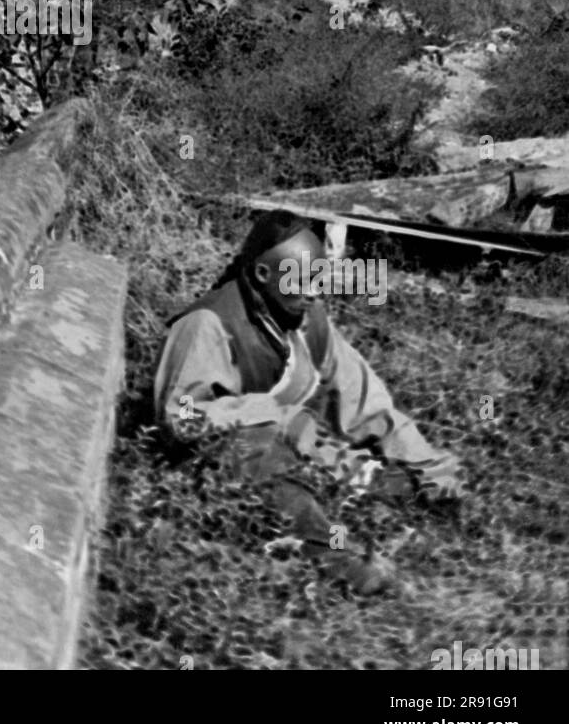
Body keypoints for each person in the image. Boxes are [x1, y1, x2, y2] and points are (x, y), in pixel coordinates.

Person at [154, 209, 463, 594]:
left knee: (403, 479)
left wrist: (427, 463)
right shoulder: (206, 325)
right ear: (264, 276)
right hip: (219, 467)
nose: (315, 291)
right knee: (261, 452)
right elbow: (180, 416)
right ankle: (342, 561)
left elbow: (364, 399)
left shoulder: (306, 318)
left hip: (298, 453)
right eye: (302, 280)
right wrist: (274, 415)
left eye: (318, 280)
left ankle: (380, 505)